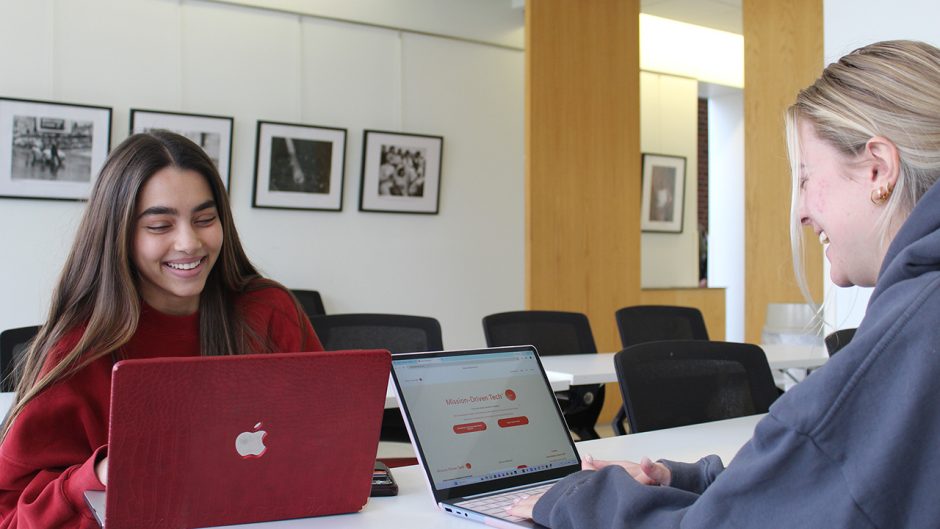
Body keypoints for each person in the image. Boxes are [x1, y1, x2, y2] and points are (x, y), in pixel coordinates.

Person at [509, 40, 940, 528]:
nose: (800, 211)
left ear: (877, 170)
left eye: (805, 177)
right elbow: (825, 490)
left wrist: (579, 496)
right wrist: (686, 481)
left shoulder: (909, 333)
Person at [0, 131, 323, 528]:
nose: (189, 242)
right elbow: (12, 516)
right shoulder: (78, 350)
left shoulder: (270, 310)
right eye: (159, 226)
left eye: (205, 219)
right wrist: (98, 476)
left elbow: (327, 445)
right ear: (119, 235)